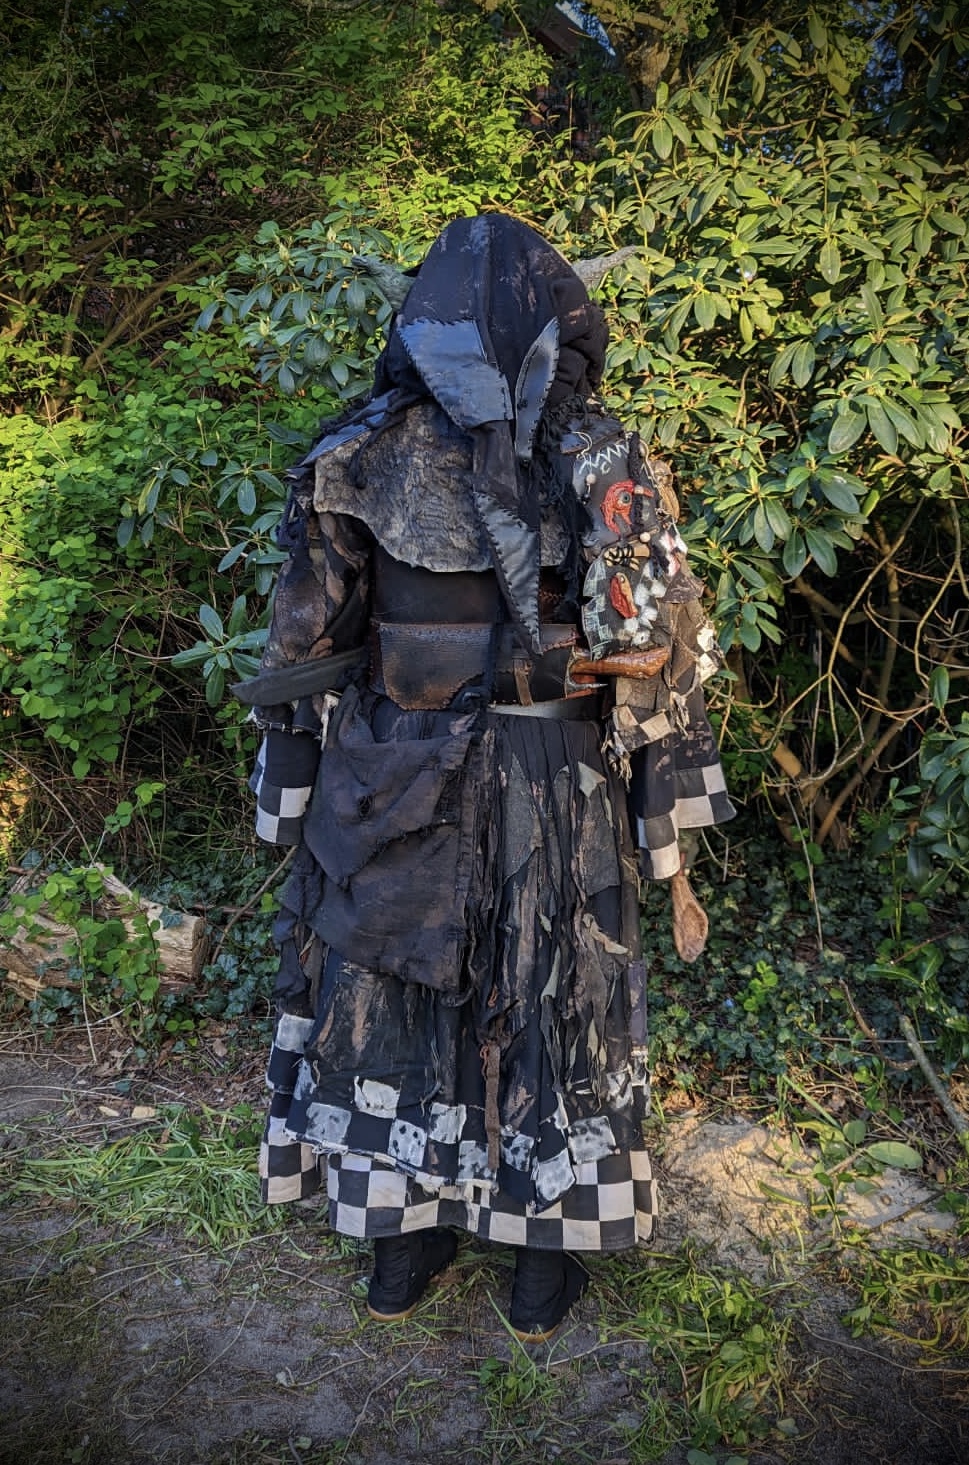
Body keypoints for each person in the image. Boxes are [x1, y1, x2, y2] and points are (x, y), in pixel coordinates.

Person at [238, 213, 734, 1342]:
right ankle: (523, 1270)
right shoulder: (601, 455)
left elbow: (305, 638)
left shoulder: (358, 451)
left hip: (401, 768)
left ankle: (409, 1252)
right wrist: (660, 815)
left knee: (418, 984)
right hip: (545, 772)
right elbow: (657, 645)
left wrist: (292, 794)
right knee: (538, 993)